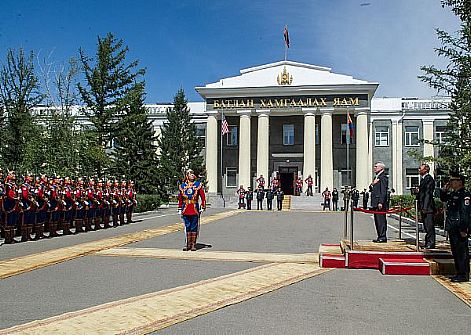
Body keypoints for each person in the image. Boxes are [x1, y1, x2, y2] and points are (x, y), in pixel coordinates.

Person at [439, 172, 469, 282]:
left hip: (459, 228)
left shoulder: (464, 195)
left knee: (462, 252)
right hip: (453, 227)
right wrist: (444, 189)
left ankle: (463, 274)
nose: (451, 183)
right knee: (455, 251)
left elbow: (465, 214)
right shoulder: (453, 194)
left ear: (460, 182)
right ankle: (459, 272)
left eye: (453, 181)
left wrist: (463, 229)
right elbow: (443, 198)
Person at [178, 169, 206, 251]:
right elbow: (180, 198)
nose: (192, 175)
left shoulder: (198, 185)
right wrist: (180, 207)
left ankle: (193, 244)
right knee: (187, 226)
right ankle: (188, 244)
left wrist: (203, 206)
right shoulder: (182, 186)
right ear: (187, 176)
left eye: (193, 173)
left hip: (194, 208)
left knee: (194, 226)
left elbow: (203, 196)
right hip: (186, 208)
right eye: (190, 174)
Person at [415, 164, 436, 249]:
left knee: (429, 226)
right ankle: (428, 242)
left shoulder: (429, 179)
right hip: (424, 206)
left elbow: (428, 194)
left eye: (420, 168)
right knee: (426, 226)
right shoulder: (423, 179)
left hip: (428, 207)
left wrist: (425, 207)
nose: (419, 169)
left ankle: (431, 243)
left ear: (425, 170)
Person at [370, 161, 389, 243]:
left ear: (381, 168)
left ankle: (382, 236)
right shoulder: (376, 177)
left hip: (379, 203)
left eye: (376, 166)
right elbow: (371, 188)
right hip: (375, 202)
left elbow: (383, 191)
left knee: (381, 220)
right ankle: (379, 236)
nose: (374, 168)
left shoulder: (383, 177)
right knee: (377, 220)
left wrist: (381, 202)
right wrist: (372, 184)